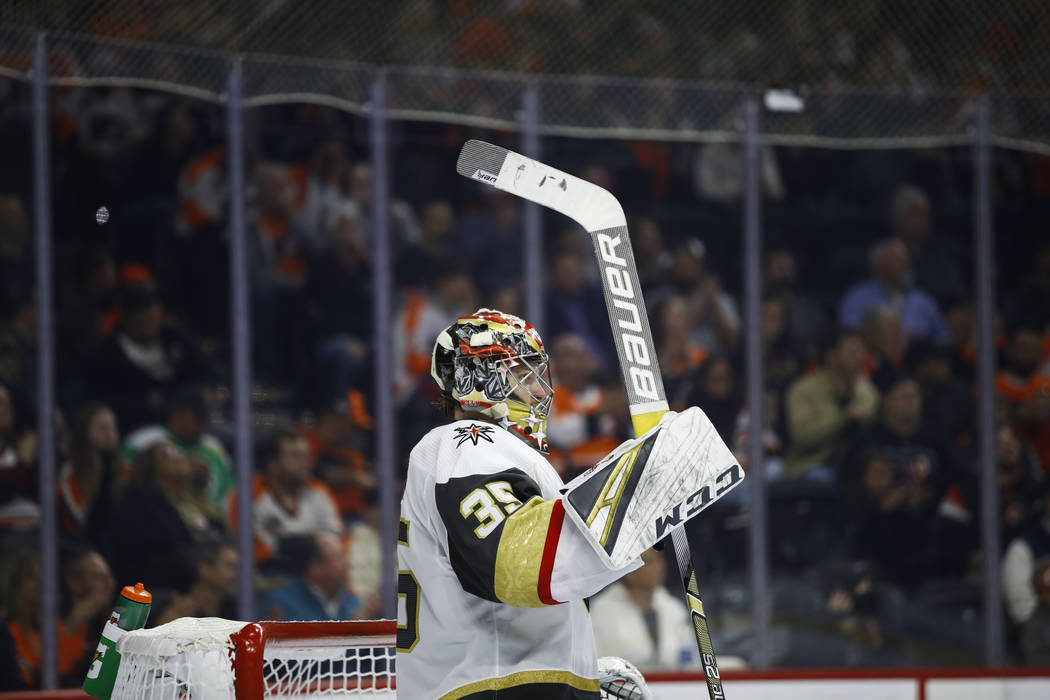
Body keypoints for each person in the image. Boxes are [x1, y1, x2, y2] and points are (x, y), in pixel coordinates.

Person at [397, 309, 648, 699]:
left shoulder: (496, 453)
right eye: (523, 375)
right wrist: (633, 495)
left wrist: (579, 672)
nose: (544, 392)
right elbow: (517, 565)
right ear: (480, 378)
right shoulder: (469, 441)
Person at [227, 427, 343, 563]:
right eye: (296, 457)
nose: (306, 464)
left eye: (306, 456)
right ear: (273, 465)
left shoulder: (319, 491)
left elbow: (333, 539)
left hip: (315, 572)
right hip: (268, 573)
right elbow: (254, 551)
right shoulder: (247, 495)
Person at [783, 330, 879, 480]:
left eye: (861, 351)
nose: (860, 358)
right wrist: (844, 417)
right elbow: (802, 436)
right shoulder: (803, 390)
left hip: (857, 465)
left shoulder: (866, 391)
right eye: (853, 352)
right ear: (832, 356)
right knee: (822, 477)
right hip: (812, 465)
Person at [122, 386, 233, 510]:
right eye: (198, 418)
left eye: (205, 419)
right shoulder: (143, 441)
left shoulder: (214, 446)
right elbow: (124, 481)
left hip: (210, 518)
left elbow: (231, 489)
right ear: (177, 415)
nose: (204, 425)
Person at [590, 549, 697, 671]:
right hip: (621, 687)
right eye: (650, 561)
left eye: (659, 560)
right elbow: (596, 663)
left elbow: (690, 657)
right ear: (629, 570)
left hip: (672, 686)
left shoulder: (673, 608)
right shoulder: (602, 610)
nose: (659, 567)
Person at [838, 238, 950, 349]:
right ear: (878, 265)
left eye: (905, 259)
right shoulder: (858, 297)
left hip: (919, 361)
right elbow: (850, 334)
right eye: (897, 260)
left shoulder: (921, 299)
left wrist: (923, 344)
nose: (904, 265)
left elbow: (944, 337)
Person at [58, 402, 126, 539]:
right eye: (102, 428)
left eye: (113, 428)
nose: (110, 434)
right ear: (85, 432)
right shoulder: (70, 472)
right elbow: (77, 520)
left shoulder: (124, 469)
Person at [259, 532, 359, 622]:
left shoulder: (353, 603)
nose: (346, 564)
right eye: (338, 558)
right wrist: (353, 628)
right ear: (315, 567)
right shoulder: (281, 604)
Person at [151, 535, 239, 626]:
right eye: (231, 567)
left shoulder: (235, 612)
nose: (237, 575)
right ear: (205, 569)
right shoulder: (172, 607)